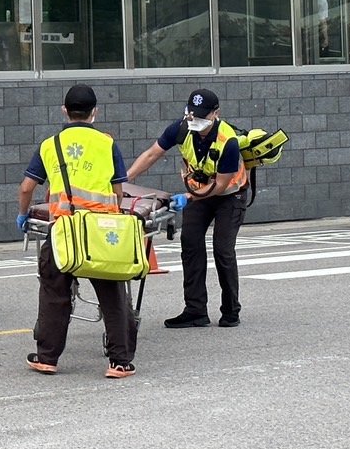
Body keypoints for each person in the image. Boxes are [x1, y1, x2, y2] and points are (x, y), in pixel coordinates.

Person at [16, 85, 137, 378]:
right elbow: (119, 192)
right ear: (95, 112)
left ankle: (47, 357)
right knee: (112, 296)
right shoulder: (108, 144)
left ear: (64, 111)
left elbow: (26, 188)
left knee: (54, 293)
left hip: (63, 231)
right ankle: (119, 362)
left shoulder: (50, 145)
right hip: (99, 232)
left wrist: (23, 215)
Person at [124, 87, 249, 328]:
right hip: (197, 191)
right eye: (191, 115)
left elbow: (221, 184)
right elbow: (152, 154)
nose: (195, 120)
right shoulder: (181, 128)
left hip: (229, 196)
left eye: (201, 116)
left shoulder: (228, 141)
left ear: (216, 113)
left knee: (223, 250)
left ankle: (231, 309)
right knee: (190, 244)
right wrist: (123, 180)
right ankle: (195, 310)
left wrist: (188, 198)